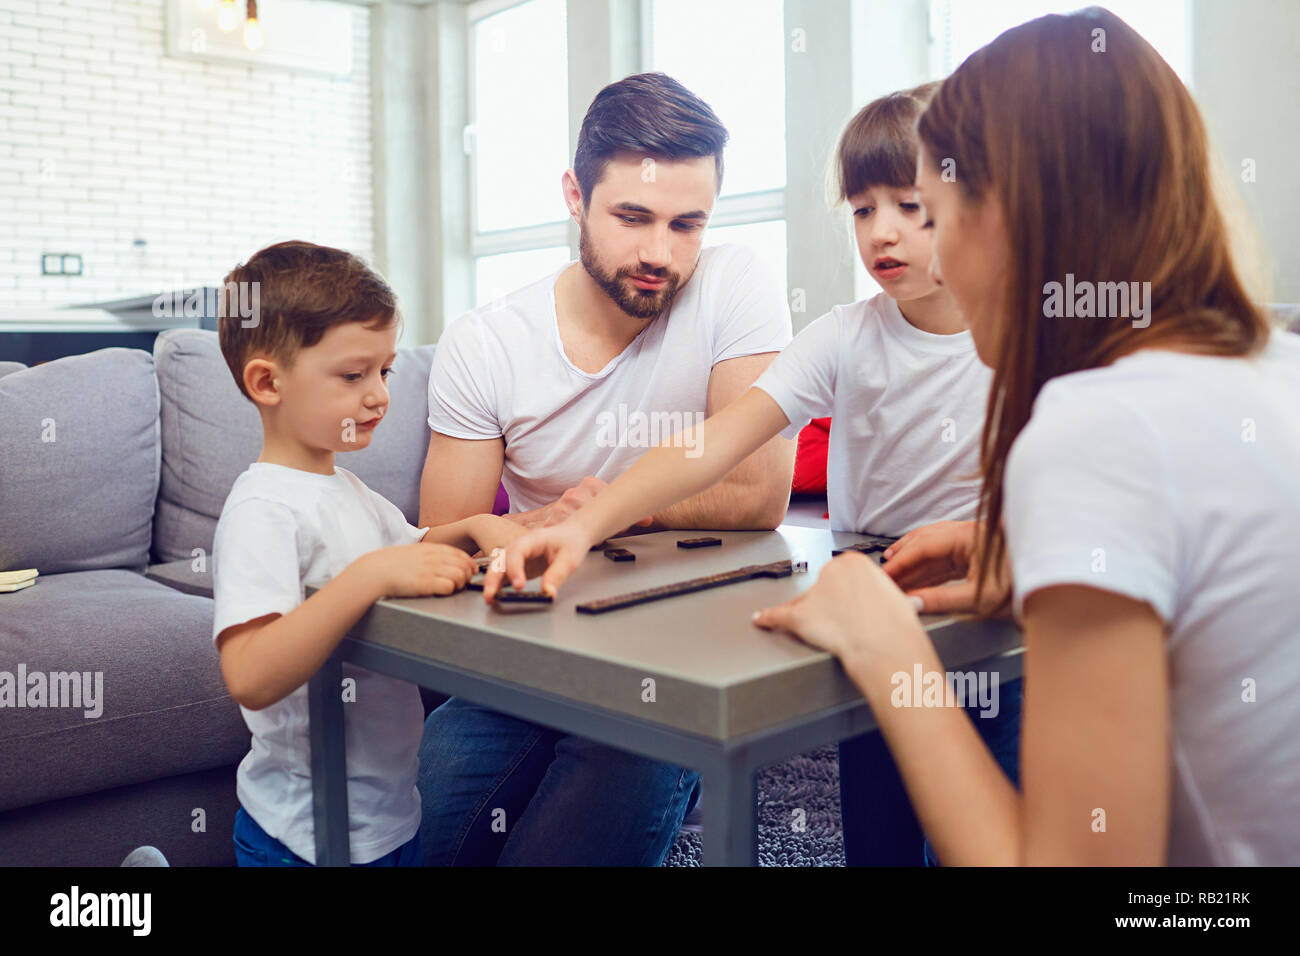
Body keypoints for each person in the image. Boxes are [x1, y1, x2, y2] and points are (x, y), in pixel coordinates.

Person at [755, 8, 1299, 863]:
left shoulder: (1093, 427)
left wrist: (887, 648)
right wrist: (1038, 559)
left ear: (1001, 213)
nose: (929, 256)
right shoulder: (1277, 370)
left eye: (931, 210)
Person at [482, 82, 1023, 865]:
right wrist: (584, 524)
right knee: (879, 837)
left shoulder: (1024, 338)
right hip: (870, 600)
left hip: (990, 618)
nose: (882, 232)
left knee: (987, 830)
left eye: (911, 206)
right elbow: (712, 442)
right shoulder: (843, 335)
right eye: (863, 209)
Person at [416, 72, 796, 866]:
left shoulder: (735, 284)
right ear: (574, 195)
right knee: (424, 826)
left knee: (620, 762)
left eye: (687, 224)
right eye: (632, 217)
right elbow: (440, 544)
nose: (660, 253)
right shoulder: (486, 344)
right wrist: (515, 533)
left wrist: (612, 508)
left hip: (680, 653)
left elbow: (760, 492)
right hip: (532, 650)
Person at [211, 240, 524, 866]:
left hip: (387, 820)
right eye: (354, 375)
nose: (380, 395)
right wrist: (368, 576)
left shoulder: (346, 490)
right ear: (267, 382)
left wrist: (476, 529)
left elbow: (412, 546)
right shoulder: (263, 510)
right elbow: (249, 674)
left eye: (386, 371)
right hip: (302, 836)